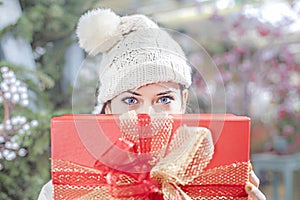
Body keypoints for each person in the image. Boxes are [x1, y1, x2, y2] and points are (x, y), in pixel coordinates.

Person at [38, 8, 266, 200]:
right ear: (107, 108)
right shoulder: (64, 190)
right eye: (130, 100)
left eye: (164, 99)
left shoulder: (216, 177)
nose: (147, 114)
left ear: (183, 102)